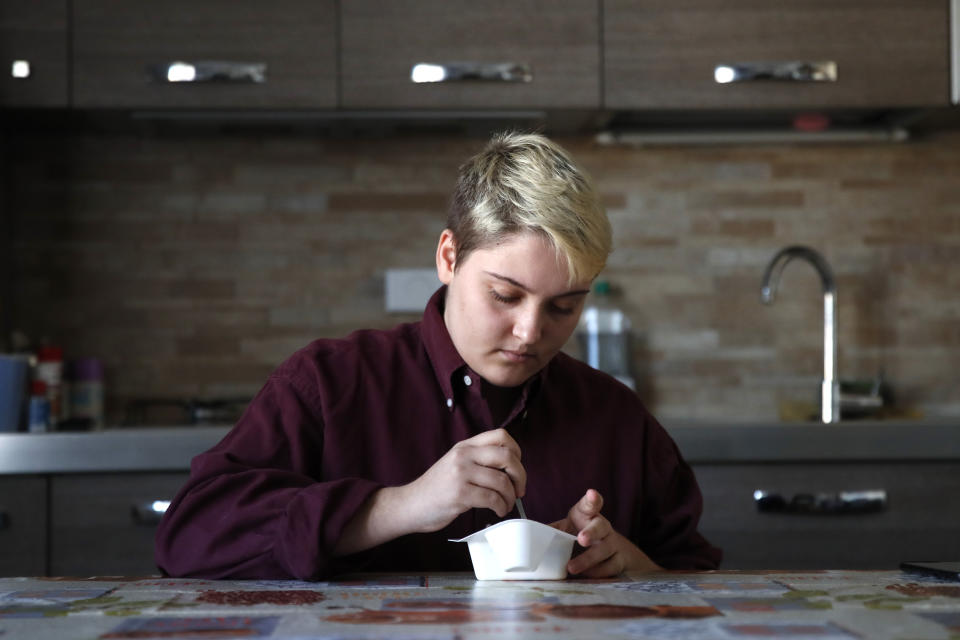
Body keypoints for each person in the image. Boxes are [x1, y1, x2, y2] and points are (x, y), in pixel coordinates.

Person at [155, 132, 721, 580]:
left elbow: (698, 581)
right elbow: (190, 537)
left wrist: (629, 566)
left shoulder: (615, 418)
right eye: (505, 296)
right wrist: (398, 507)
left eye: (563, 308)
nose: (530, 333)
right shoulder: (329, 383)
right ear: (449, 258)